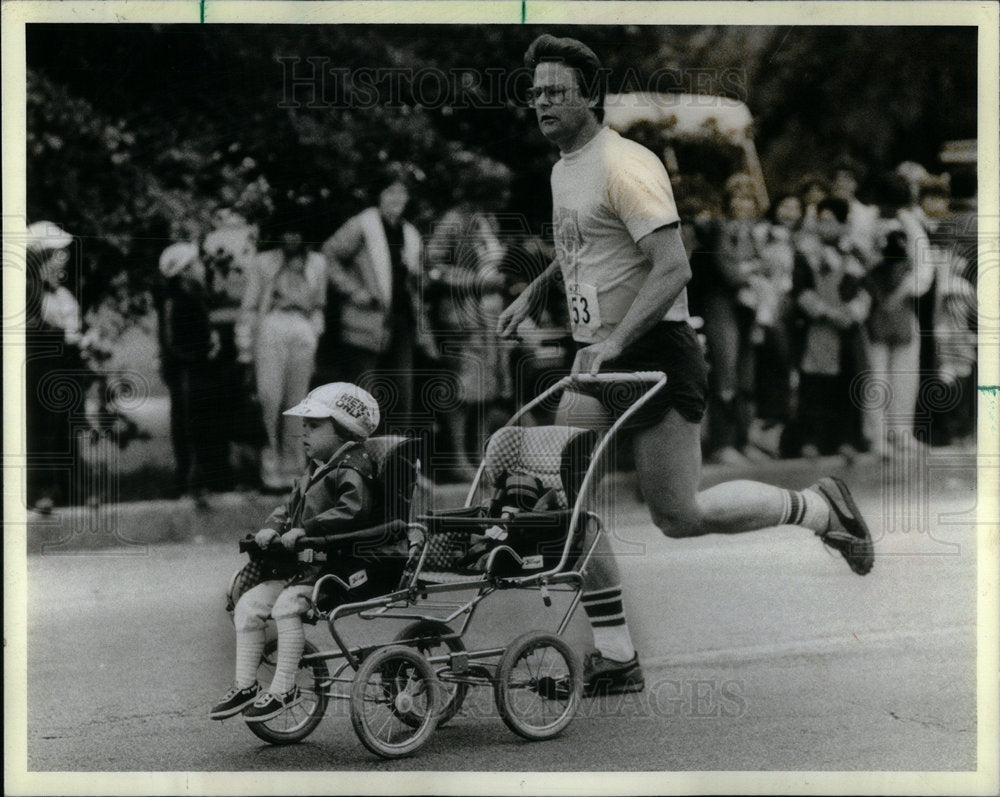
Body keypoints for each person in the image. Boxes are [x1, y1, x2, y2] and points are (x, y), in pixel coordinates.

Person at [497, 35, 875, 696]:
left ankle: (817, 507)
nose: (542, 103)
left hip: (652, 355)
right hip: (600, 360)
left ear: (591, 96)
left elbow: (673, 266)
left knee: (678, 513)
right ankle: (616, 654)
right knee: (557, 492)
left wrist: (614, 342)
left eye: (556, 92)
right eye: (536, 93)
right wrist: (538, 287)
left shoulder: (627, 163)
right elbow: (589, 242)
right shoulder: (565, 167)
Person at [210, 382, 393, 721]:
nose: (304, 433)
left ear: (343, 430)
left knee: (286, 607)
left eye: (313, 426)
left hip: (336, 565)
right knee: (248, 607)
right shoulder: (316, 469)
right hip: (301, 567)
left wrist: (305, 530)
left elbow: (352, 512)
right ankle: (246, 684)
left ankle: (283, 689)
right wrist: (273, 528)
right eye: (304, 426)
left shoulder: (351, 469)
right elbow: (289, 507)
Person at [321, 170, 439, 431]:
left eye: (402, 192)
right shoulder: (362, 225)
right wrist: (353, 290)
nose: (397, 198)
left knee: (401, 394)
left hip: (402, 322)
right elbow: (329, 255)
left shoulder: (410, 233)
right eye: (391, 192)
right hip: (367, 321)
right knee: (362, 395)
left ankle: (396, 463)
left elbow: (419, 281)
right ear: (380, 195)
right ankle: (359, 462)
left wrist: (422, 277)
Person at [240, 226, 327, 490]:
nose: (292, 237)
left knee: (297, 400)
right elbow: (250, 306)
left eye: (297, 232)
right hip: (272, 327)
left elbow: (319, 305)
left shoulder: (317, 263)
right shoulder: (264, 263)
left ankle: (293, 466)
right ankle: (270, 461)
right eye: (287, 231)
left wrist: (314, 331)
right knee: (269, 396)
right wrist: (244, 347)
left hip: (302, 329)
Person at [792, 198, 871, 457]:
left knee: (848, 383)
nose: (823, 226)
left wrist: (852, 313)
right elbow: (800, 290)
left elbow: (866, 290)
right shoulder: (806, 253)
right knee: (815, 385)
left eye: (829, 220)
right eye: (821, 220)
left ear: (843, 224)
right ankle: (811, 441)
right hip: (818, 328)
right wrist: (827, 313)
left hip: (848, 329)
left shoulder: (855, 253)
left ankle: (846, 440)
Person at [156, 242, 218, 503]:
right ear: (184, 271)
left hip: (197, 367)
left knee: (201, 423)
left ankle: (202, 478)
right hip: (186, 370)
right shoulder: (175, 300)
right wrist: (198, 355)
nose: (202, 268)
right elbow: (172, 342)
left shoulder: (196, 296)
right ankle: (190, 481)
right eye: (195, 265)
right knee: (188, 425)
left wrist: (210, 342)